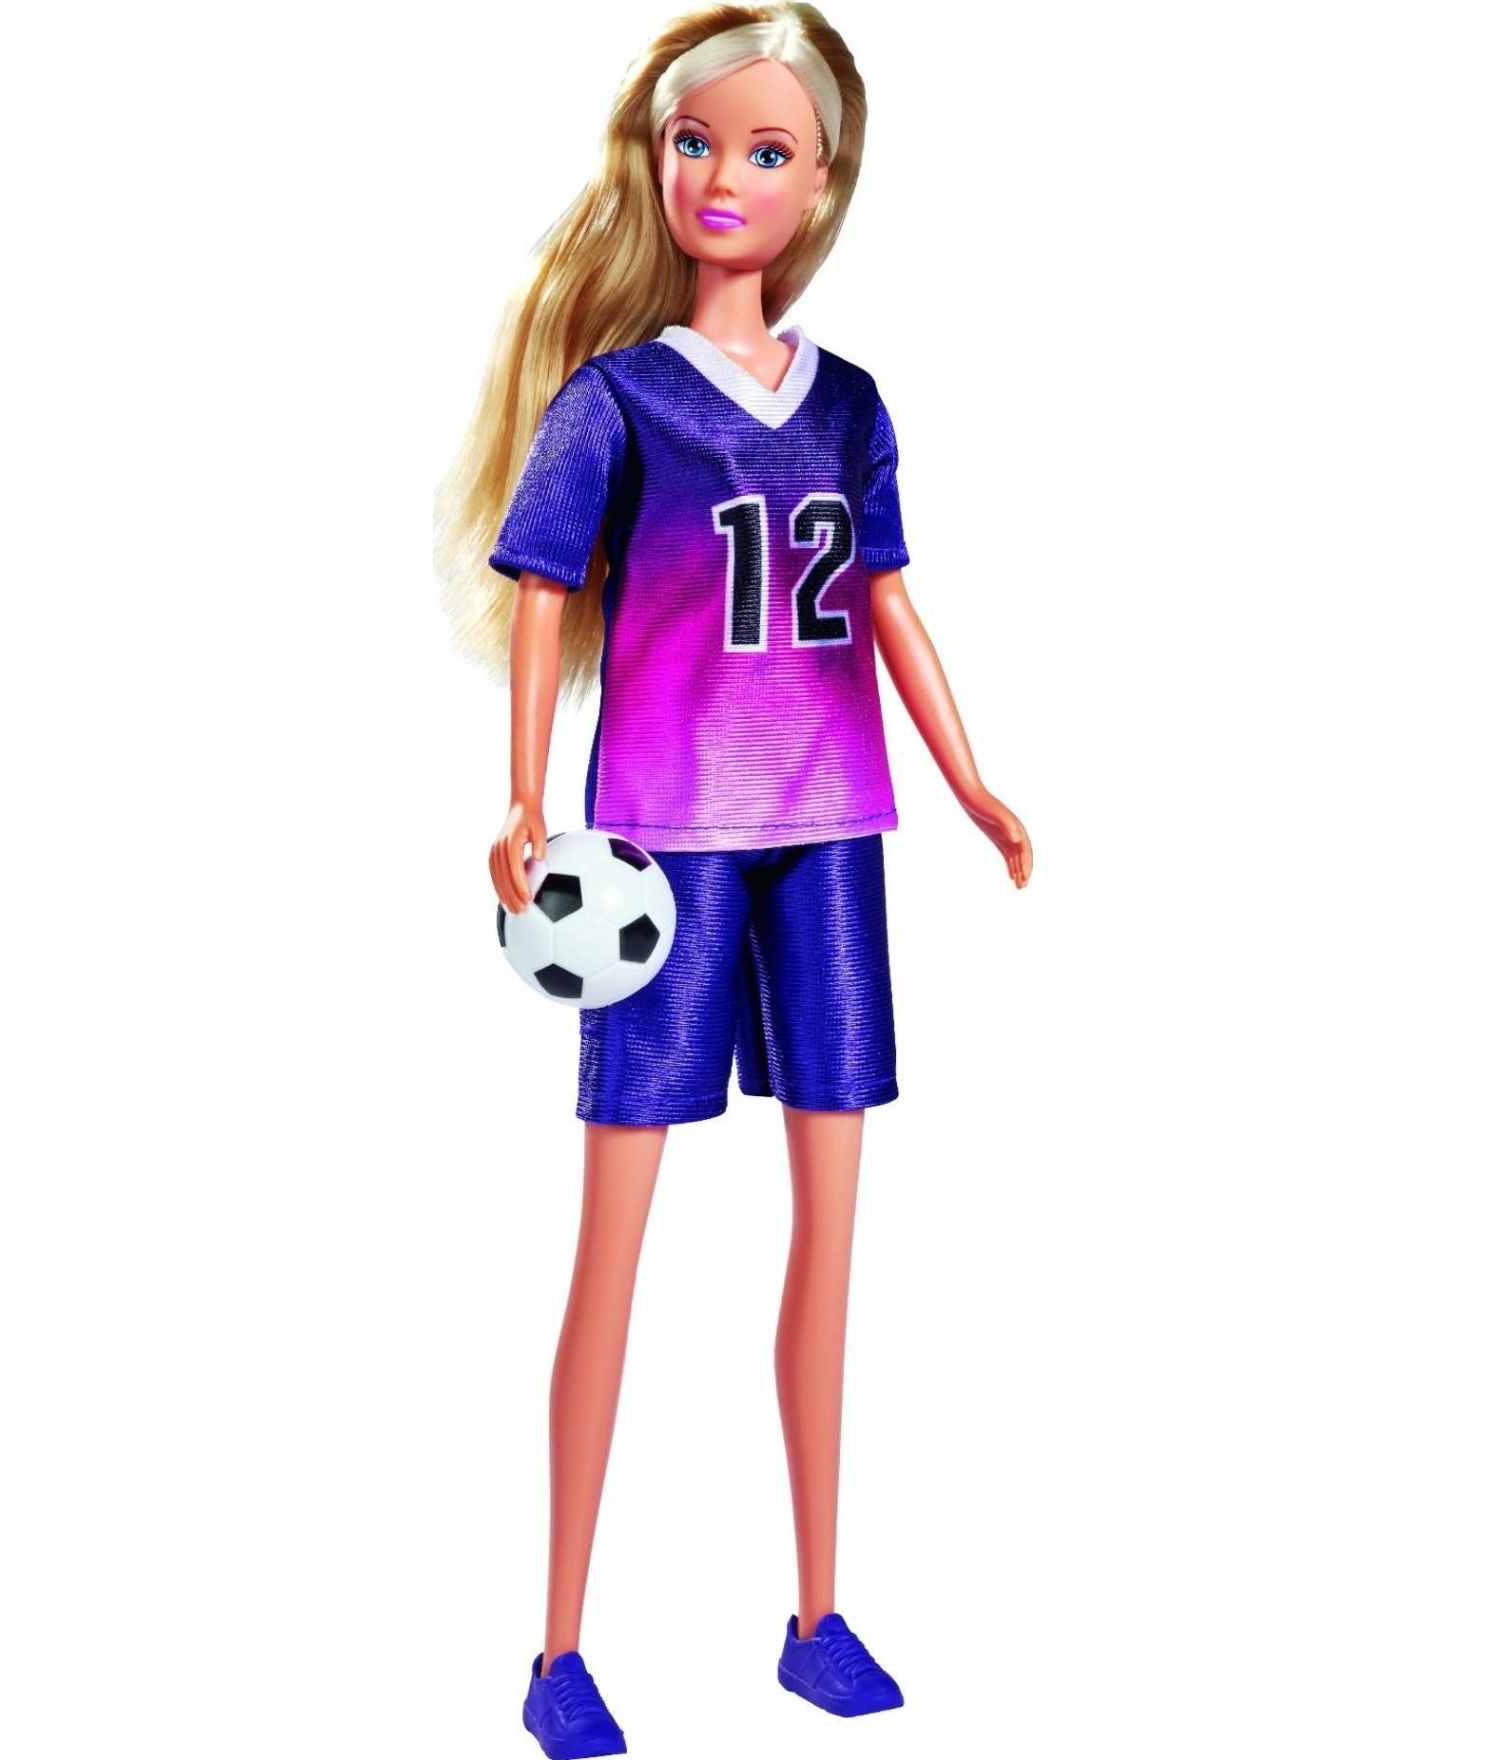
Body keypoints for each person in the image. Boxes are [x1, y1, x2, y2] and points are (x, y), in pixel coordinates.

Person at [433, 7, 1031, 1754]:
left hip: (831, 834)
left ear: (820, 184)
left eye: (767, 151)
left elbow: (890, 600)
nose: (725, 177)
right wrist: (522, 793)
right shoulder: (618, 401)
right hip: (661, 845)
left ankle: (818, 1612)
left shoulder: (848, 402)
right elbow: (544, 588)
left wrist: (969, 777)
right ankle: (559, 1645)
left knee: (831, 1233)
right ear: (657, 155)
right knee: (615, 1238)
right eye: (699, 142)